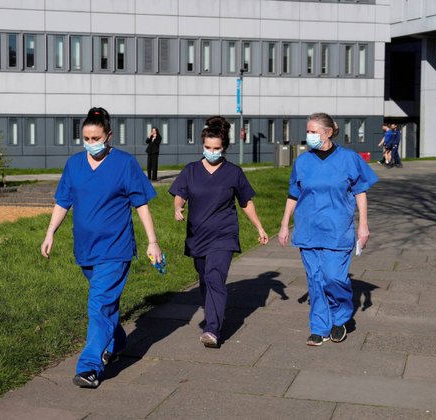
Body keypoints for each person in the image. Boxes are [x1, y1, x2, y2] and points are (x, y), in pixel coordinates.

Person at [40, 107, 163, 388]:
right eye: (86, 137)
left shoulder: (124, 163)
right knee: (105, 304)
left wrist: (152, 242)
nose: (91, 143)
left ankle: (90, 367)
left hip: (115, 248)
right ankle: (118, 340)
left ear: (109, 136)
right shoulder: (74, 165)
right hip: (85, 249)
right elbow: (63, 201)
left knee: (98, 305)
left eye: (96, 137)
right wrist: (50, 233)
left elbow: (141, 204)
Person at [277, 112, 379, 347]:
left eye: (313, 131)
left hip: (337, 229)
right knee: (315, 280)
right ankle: (320, 327)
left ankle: (340, 318)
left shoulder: (349, 159)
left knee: (333, 277)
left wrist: (363, 225)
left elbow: (360, 192)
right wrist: (284, 225)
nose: (309, 136)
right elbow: (294, 194)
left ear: (328, 132)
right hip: (308, 229)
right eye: (308, 131)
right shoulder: (302, 162)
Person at [169, 116, 269, 349]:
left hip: (224, 234)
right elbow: (179, 194)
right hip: (197, 235)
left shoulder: (233, 172)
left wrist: (260, 227)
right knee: (205, 278)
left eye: (216, 149)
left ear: (224, 148)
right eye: (207, 148)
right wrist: (177, 207)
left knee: (215, 277)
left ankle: (212, 328)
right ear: (202, 145)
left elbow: (246, 202)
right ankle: (214, 314)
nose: (211, 152)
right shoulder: (191, 170)